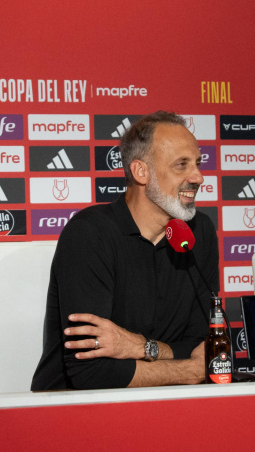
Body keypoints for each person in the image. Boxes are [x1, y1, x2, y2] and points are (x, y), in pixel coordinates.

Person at [32, 111, 218, 390]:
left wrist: (142, 347)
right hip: (76, 411)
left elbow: (201, 347)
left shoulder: (199, 231)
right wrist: (188, 371)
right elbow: (91, 372)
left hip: (171, 406)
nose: (198, 177)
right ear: (141, 171)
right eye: (182, 165)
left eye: (197, 163)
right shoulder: (89, 234)